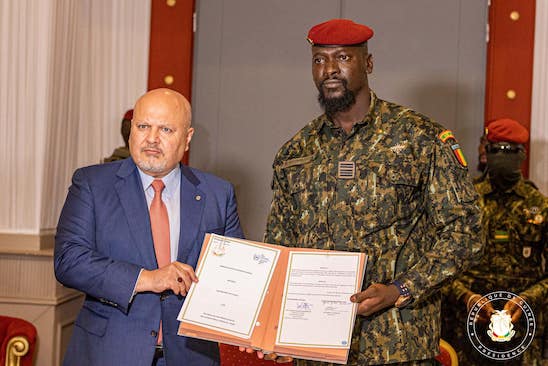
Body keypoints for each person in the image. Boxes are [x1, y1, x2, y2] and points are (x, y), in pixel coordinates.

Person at [262, 19, 483, 365]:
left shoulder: (420, 138)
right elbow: (279, 246)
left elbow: (465, 232)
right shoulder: (295, 153)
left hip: (397, 347)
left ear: (368, 63)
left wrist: (402, 288)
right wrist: (269, 325)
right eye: (319, 60)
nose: (329, 70)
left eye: (342, 58)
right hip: (315, 348)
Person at [54, 88, 244, 366]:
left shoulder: (218, 193)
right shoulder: (92, 184)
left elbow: (236, 277)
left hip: (191, 356)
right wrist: (148, 278)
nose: (152, 139)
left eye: (166, 129)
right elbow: (69, 261)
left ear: (187, 138)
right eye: (143, 126)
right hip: (109, 353)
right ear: (131, 131)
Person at [443, 118, 547, 366]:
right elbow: (438, 266)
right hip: (466, 327)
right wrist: (466, 297)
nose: (504, 157)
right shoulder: (464, 202)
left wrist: (527, 298)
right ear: (485, 152)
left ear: (522, 155)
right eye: (497, 150)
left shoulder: (540, 206)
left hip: (523, 329)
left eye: (511, 151)